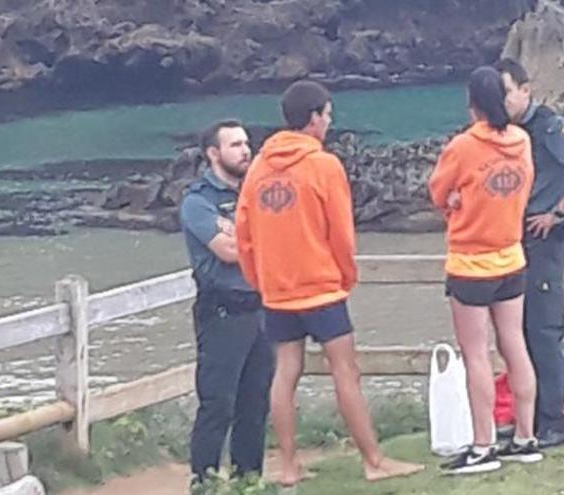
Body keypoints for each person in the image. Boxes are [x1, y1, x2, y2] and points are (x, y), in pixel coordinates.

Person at [235, 80, 424, 486]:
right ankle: (373, 459)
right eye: (327, 115)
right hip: (321, 287)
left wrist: (260, 280)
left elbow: (243, 234)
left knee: (285, 372)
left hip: (277, 292)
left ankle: (288, 466)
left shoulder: (258, 168)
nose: (329, 122)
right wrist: (346, 275)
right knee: (345, 371)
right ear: (314, 117)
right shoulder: (323, 165)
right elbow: (341, 231)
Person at [429, 66, 543, 475]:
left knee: (477, 354)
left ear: (471, 103)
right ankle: (527, 436)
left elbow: (437, 192)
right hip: (511, 255)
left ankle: (483, 444)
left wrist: (457, 200)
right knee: (515, 345)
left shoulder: (462, 146)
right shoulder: (522, 140)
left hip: (470, 261)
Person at [493, 57, 564, 448]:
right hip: (511, 238)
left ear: (525, 89)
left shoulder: (548, 125)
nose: (502, 101)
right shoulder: (500, 132)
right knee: (516, 332)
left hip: (544, 237)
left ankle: (553, 422)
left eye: (506, 92)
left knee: (543, 329)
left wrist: (558, 212)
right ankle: (529, 418)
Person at [179, 120, 273, 485]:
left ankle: (249, 479)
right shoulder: (197, 201)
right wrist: (265, 237)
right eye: (235, 145)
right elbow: (229, 251)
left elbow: (250, 240)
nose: (245, 150)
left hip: (261, 308)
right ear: (213, 154)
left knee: (255, 402)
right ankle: (203, 479)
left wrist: (246, 234)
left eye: (246, 143)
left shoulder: (258, 191)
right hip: (222, 312)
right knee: (218, 403)